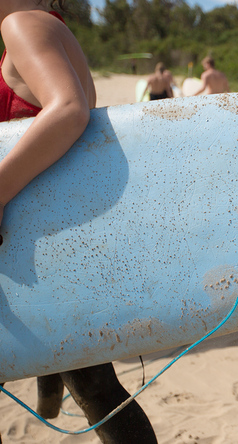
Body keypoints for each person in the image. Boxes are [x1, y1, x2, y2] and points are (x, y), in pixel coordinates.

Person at [0, 2, 156, 442]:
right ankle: (47, 389)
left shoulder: (21, 23)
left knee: (95, 388)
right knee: (94, 387)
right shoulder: (49, 28)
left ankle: (47, 387)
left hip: (34, 240)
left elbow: (69, 109)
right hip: (56, 239)